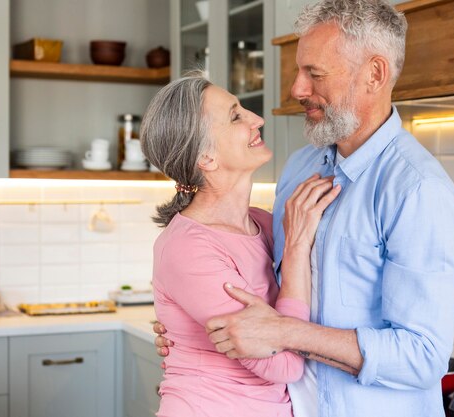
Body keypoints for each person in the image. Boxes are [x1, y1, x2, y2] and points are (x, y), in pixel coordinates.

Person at [154, 1, 454, 416]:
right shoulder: (300, 167)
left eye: (314, 74)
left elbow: (423, 357)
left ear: (374, 75)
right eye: (298, 71)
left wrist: (285, 332)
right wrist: (187, 328)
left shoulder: (418, 192)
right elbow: (255, 284)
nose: (297, 90)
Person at [140, 72, 340, 416]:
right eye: (236, 116)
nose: (257, 119)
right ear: (206, 158)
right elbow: (285, 366)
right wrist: (295, 247)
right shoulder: (187, 248)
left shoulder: (263, 222)